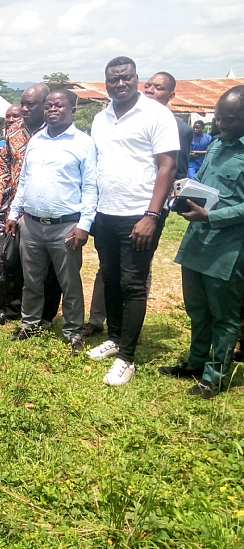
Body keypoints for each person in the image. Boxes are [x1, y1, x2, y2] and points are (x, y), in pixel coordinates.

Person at [86, 56, 178, 386]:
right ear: (107, 82)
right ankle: (115, 337)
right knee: (110, 278)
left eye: (125, 78)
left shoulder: (157, 114)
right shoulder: (101, 118)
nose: (119, 83)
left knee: (133, 284)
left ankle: (127, 358)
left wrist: (152, 215)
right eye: (113, 79)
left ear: (136, 78)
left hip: (139, 215)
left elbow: (167, 166)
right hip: (106, 213)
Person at [159, 86, 244, 398]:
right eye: (219, 119)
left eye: (231, 120)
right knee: (197, 309)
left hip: (228, 247)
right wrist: (181, 194)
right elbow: (203, 185)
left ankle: (216, 375)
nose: (222, 126)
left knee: (224, 315)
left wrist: (212, 218)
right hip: (197, 240)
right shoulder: (216, 145)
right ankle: (195, 363)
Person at [6, 90, 97, 353]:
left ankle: (73, 331)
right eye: (49, 105)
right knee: (32, 280)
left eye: (59, 105)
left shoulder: (83, 143)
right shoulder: (36, 140)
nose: (53, 109)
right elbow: (24, 180)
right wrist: (14, 213)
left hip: (66, 226)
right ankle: (30, 322)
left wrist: (84, 224)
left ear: (73, 110)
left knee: (69, 282)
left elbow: (90, 187)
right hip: (32, 224)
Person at [0, 84, 62, 327]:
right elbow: (3, 162)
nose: (25, 108)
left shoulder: (56, 132)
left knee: (48, 266)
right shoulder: (13, 131)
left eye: (31, 104)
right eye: (23, 103)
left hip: (46, 210)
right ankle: (12, 309)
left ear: (45, 105)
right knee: (12, 260)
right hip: (15, 208)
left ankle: (45, 316)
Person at [0, 104, 22, 312]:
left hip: (20, 214)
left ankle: (14, 303)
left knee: (14, 259)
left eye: (15, 116)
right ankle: (0, 298)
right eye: (7, 116)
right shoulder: (5, 144)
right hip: (1, 212)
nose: (10, 120)